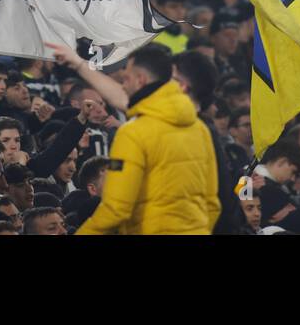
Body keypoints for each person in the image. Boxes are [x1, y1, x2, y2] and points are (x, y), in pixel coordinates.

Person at [77, 46, 219, 235]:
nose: (123, 85)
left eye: (126, 78)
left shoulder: (131, 133)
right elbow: (212, 203)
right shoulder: (200, 129)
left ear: (140, 80)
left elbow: (115, 209)